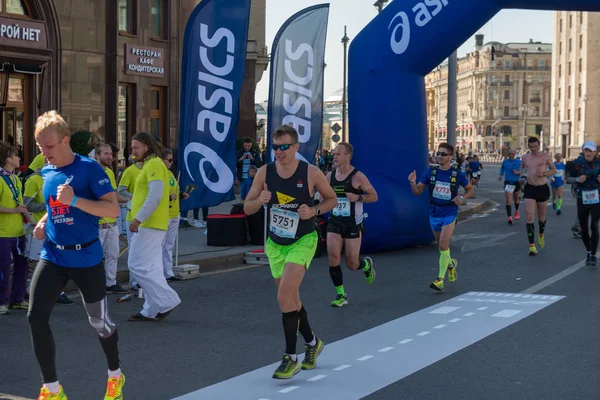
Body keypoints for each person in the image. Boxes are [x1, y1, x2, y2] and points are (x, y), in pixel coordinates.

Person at [28, 111, 125, 399]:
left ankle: (115, 376)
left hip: (86, 259)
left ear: (66, 141)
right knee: (35, 317)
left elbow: (111, 210)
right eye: (40, 147)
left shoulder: (90, 169)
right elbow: (54, 205)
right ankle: (52, 388)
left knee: (100, 323)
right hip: (54, 256)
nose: (44, 153)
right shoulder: (47, 171)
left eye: (49, 146)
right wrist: (45, 221)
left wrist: (76, 200)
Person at [244, 125, 337, 379]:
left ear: (296, 147)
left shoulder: (311, 173)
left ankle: (290, 357)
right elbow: (247, 207)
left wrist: (314, 210)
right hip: (275, 244)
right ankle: (313, 343)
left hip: (303, 240)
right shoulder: (265, 172)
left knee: (284, 295)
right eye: (275, 147)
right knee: (290, 300)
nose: (279, 152)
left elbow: (331, 200)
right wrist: (259, 201)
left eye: (284, 147)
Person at [127, 132, 181, 321]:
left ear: (147, 147)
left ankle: (167, 300)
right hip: (151, 223)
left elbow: (156, 195)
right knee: (151, 267)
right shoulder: (151, 165)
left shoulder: (154, 164)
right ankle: (150, 309)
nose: (132, 151)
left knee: (136, 264)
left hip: (149, 224)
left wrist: (138, 219)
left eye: (136, 147)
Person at [408, 143, 474, 291]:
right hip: (434, 212)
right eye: (438, 153)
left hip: (449, 212)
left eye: (443, 154)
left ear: (450, 157)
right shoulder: (430, 172)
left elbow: (470, 189)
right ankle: (451, 264)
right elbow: (417, 191)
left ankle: (440, 279)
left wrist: (462, 198)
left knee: (444, 246)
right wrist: (412, 183)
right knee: (441, 248)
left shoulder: (457, 174)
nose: (439, 156)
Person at [325, 142, 378, 307]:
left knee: (351, 263)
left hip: (353, 223)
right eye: (334, 153)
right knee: (333, 258)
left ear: (347, 156)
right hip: (334, 222)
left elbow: (374, 196)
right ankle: (341, 295)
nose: (334, 156)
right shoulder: (329, 176)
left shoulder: (358, 177)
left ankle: (366, 265)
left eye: (338, 154)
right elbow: (322, 196)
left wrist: (359, 198)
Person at [23, 158, 74, 305]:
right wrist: (49, 206)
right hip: (37, 227)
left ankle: (56, 292)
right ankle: (29, 291)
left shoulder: (58, 179)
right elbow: (27, 205)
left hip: (56, 226)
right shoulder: (34, 180)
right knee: (35, 262)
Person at [0, 142, 33, 315]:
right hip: (2, 233)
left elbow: (21, 205)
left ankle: (17, 299)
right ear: (7, 159)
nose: (19, 158)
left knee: (22, 266)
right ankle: (1, 302)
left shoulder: (15, 179)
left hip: (18, 231)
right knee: (3, 267)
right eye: (16, 155)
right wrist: (13, 211)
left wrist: (33, 221)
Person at [95, 143, 128, 294]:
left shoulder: (109, 172)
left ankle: (110, 282)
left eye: (110, 154)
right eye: (106, 154)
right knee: (94, 256)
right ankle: (93, 285)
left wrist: (131, 201)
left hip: (111, 221)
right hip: (96, 222)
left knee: (113, 254)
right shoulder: (90, 172)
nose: (110, 157)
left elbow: (114, 195)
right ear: (97, 155)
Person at [520, 137, 556, 256]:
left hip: (542, 188)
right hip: (530, 188)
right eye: (531, 147)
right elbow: (522, 167)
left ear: (539, 145)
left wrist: (544, 173)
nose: (533, 149)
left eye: (535, 146)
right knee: (530, 216)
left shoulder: (545, 156)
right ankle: (531, 246)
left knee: (541, 218)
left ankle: (541, 234)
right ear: (528, 146)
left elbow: (553, 170)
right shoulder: (525, 157)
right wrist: (522, 176)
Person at [566, 142, 600, 266]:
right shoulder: (575, 164)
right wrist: (576, 179)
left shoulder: (599, 164)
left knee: (594, 226)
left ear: (595, 152)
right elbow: (567, 179)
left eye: (591, 151)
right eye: (586, 150)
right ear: (583, 151)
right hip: (582, 197)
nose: (588, 153)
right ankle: (588, 251)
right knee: (584, 229)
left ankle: (593, 255)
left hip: (597, 198)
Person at [162, 149, 187, 281]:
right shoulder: (160, 174)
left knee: (169, 245)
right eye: (169, 160)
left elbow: (174, 191)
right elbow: (155, 194)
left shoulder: (171, 174)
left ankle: (168, 272)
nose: (171, 163)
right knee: (161, 245)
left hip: (174, 213)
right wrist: (168, 196)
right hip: (164, 214)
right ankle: (160, 272)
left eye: (172, 160)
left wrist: (182, 194)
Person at [498, 149, 522, 225]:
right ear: (508, 154)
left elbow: (524, 171)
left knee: (516, 200)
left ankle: (516, 211)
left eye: (512, 154)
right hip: (508, 183)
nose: (511, 155)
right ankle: (510, 218)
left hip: (516, 182)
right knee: (508, 200)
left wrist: (518, 172)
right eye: (510, 154)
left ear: (515, 154)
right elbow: (502, 168)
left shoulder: (518, 162)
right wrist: (501, 175)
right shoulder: (505, 161)